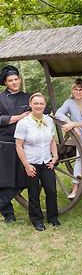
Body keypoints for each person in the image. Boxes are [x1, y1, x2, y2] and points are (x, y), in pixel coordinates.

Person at [15, 93, 60, 231]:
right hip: (31, 163)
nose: (38, 106)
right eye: (36, 103)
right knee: (33, 193)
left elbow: (52, 140)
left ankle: (53, 217)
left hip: (46, 161)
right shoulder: (23, 123)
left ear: (44, 105)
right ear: (30, 105)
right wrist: (27, 165)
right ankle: (37, 220)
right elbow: (19, 146)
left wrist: (55, 156)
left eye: (41, 103)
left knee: (51, 190)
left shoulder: (49, 120)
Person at [55, 79, 82, 199]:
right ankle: (74, 190)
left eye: (80, 89)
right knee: (80, 156)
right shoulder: (69, 102)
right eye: (76, 89)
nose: (78, 91)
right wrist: (71, 122)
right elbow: (58, 113)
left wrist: (73, 125)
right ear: (72, 91)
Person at [0, 65, 31, 223]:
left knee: (23, 179)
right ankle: (8, 214)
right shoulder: (0, 98)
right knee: (4, 181)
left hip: (25, 144)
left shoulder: (28, 97)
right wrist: (19, 117)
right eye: (10, 80)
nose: (14, 82)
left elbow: (42, 111)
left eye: (16, 79)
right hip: (5, 143)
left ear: (20, 79)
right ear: (5, 83)